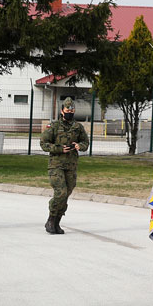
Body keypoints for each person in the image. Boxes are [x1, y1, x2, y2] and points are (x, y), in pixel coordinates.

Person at [39, 97, 90, 234]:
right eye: (68, 109)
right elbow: (43, 144)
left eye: (72, 110)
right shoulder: (54, 126)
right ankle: (51, 219)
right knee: (60, 192)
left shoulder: (78, 127)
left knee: (67, 193)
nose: (70, 112)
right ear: (62, 111)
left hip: (71, 165)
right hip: (56, 165)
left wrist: (80, 146)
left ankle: (57, 222)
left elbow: (86, 142)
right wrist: (59, 148)